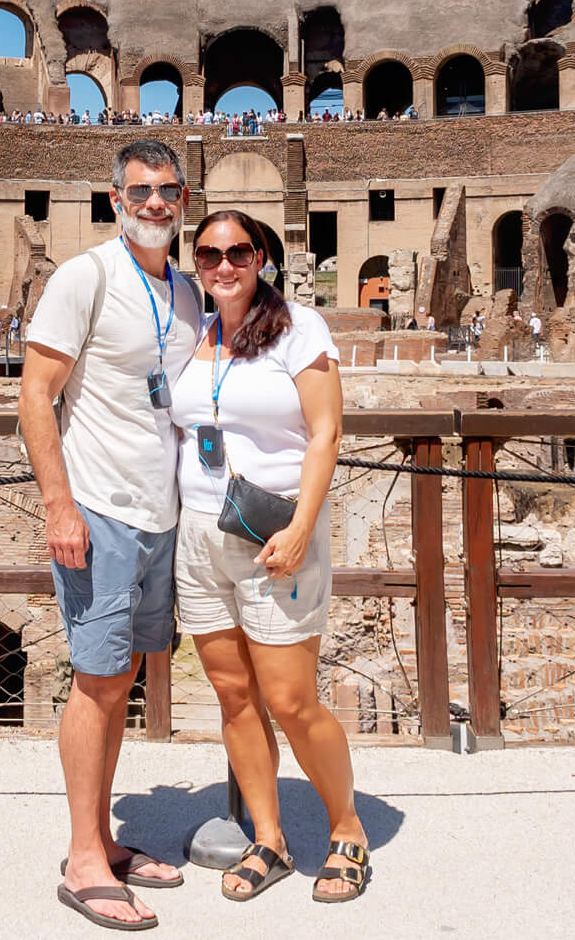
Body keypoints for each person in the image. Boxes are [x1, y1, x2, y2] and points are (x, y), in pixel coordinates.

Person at [21, 140, 203, 929]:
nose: (155, 202)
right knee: (97, 678)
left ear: (184, 195)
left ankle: (102, 837)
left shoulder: (190, 290)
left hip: (161, 511)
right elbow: (34, 394)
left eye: (167, 189)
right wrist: (59, 506)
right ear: (114, 196)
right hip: (98, 507)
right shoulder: (85, 276)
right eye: (141, 190)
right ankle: (85, 860)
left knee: (121, 675)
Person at [169, 209, 369, 904]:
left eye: (238, 252)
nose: (223, 265)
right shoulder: (191, 330)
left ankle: (347, 829)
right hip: (198, 533)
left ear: (263, 258)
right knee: (232, 694)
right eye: (208, 254)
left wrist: (304, 524)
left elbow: (327, 430)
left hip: (273, 533)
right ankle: (270, 837)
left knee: (290, 697)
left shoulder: (298, 327)